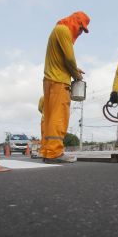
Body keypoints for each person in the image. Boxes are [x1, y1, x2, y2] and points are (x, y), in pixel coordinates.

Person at [42, 11, 90, 163]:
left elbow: (63, 59)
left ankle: (47, 150)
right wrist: (76, 75)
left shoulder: (57, 30)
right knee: (59, 116)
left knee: (50, 117)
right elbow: (69, 57)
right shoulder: (64, 30)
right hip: (59, 81)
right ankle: (55, 152)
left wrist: (75, 69)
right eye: (81, 28)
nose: (81, 32)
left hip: (50, 79)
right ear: (75, 21)